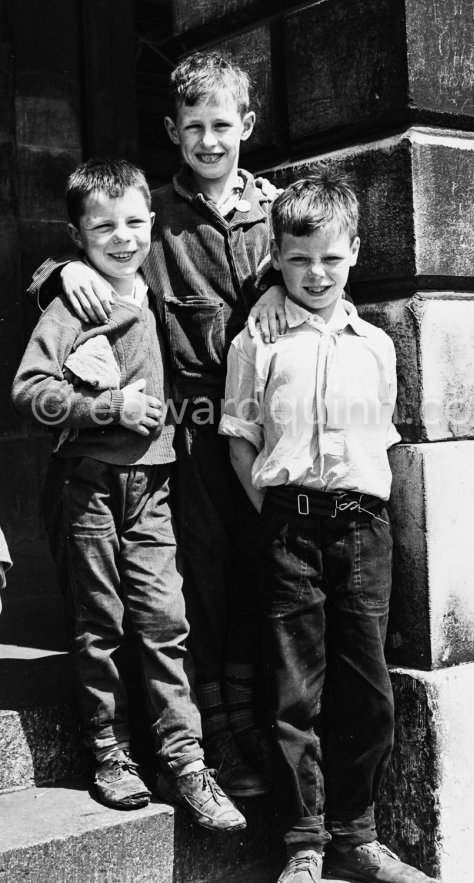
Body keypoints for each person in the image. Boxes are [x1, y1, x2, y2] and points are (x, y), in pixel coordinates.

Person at [27, 51, 287, 797]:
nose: (209, 141)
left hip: (268, 421)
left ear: (247, 125)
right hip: (188, 424)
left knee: (256, 570)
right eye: (193, 127)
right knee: (194, 581)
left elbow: (318, 258)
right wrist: (60, 272)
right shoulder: (153, 213)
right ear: (173, 131)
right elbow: (95, 246)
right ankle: (215, 736)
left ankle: (254, 721)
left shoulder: (274, 208)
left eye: (222, 125)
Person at [12, 158, 247, 833]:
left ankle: (186, 759)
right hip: (86, 484)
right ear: (77, 235)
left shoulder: (152, 285)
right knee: (101, 622)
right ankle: (111, 754)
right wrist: (106, 405)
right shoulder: (71, 302)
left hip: (156, 483)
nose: (122, 237)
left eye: (135, 222)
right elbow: (30, 392)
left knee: (165, 619)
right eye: (103, 226)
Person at [220, 172, 438, 882]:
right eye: (299, 258)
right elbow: (240, 440)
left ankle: (359, 833)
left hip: (364, 531)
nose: (316, 273)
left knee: (367, 689)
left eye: (331, 259)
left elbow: (384, 440)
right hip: (289, 529)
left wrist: (355, 519)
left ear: (354, 255)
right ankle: (304, 842)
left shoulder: (375, 345)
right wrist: (279, 519)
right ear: (278, 258)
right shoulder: (258, 339)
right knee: (294, 691)